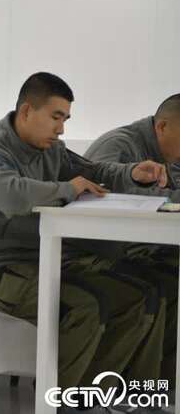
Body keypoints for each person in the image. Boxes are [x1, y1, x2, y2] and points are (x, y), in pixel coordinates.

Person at [0, 72, 169, 414]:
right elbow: (11, 193)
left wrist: (131, 173)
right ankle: (59, 405)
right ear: (26, 111)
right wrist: (68, 189)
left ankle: (102, 400)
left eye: (65, 119)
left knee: (138, 295)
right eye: (56, 117)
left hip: (44, 260)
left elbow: (93, 171)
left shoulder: (53, 150)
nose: (61, 129)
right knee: (85, 306)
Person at [84, 93, 180, 388]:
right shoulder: (119, 145)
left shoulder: (169, 154)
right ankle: (129, 387)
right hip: (100, 252)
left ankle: (162, 385)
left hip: (141, 246)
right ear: (162, 127)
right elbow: (96, 199)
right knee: (159, 284)